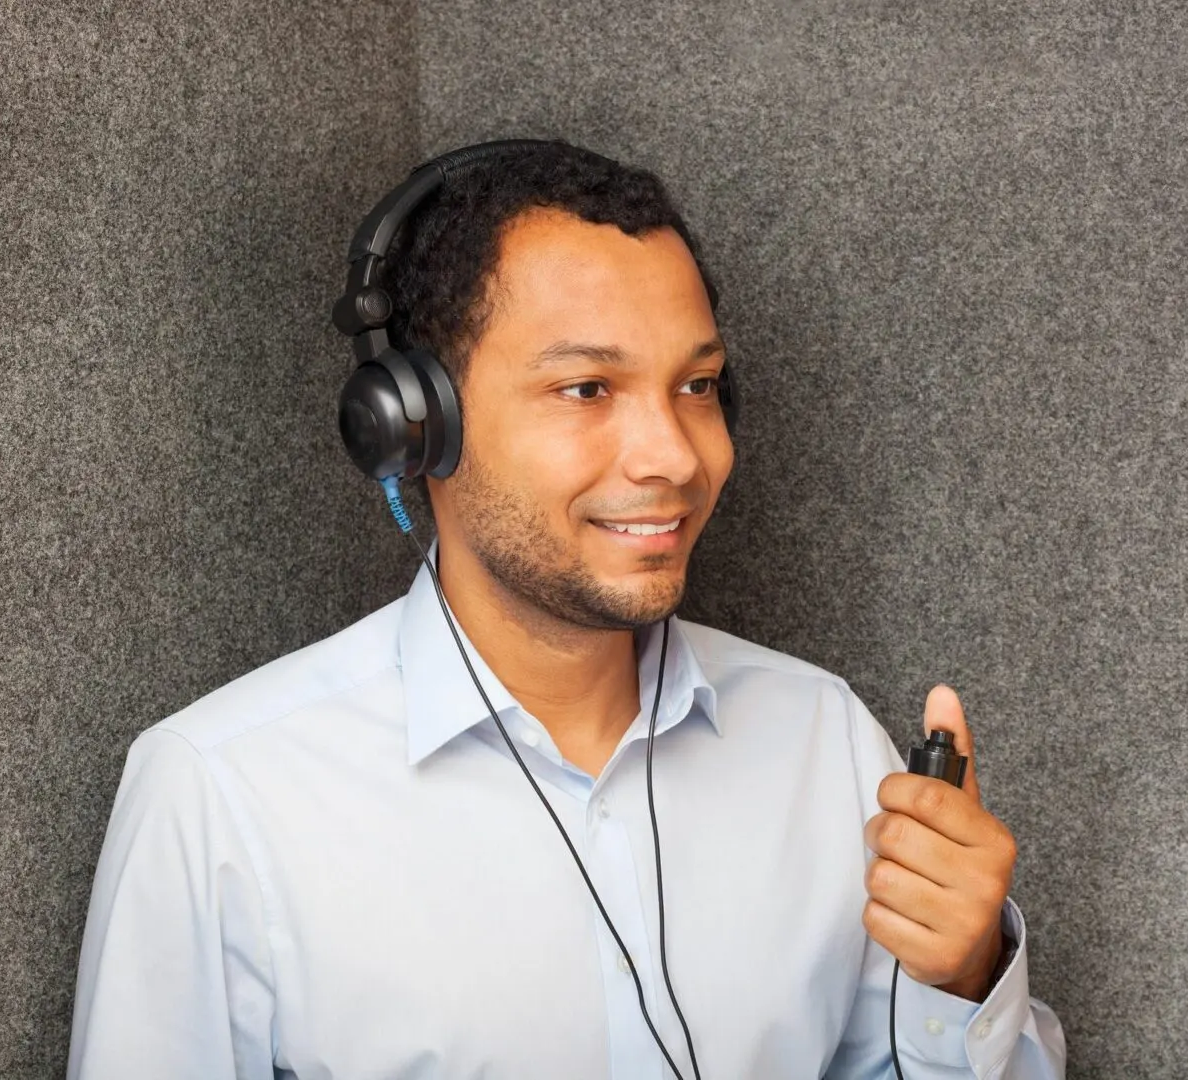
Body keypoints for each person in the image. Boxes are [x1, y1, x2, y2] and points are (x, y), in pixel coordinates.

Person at [67, 138, 1067, 1079]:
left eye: (699, 386)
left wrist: (963, 978)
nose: (675, 456)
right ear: (416, 425)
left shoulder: (826, 740)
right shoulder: (221, 793)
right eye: (588, 388)